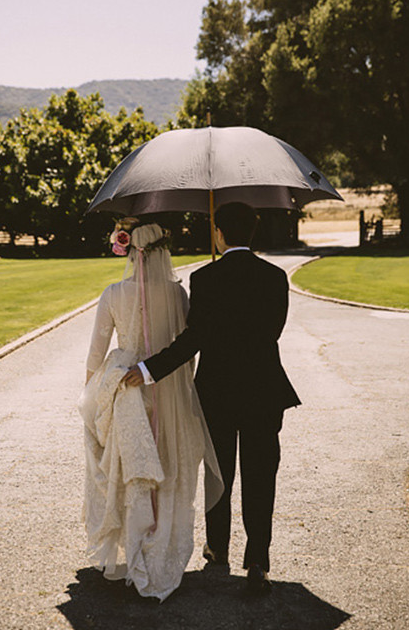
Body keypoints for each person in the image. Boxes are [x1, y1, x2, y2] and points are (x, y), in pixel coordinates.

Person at [123, 202, 300, 594]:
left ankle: (217, 548)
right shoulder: (275, 277)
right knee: (260, 476)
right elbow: (274, 331)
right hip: (264, 390)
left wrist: (149, 369)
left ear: (219, 234)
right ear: (251, 233)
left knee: (219, 473)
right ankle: (258, 561)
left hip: (218, 392)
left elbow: (193, 340)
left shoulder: (205, 278)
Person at [78, 220, 222, 602]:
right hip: (167, 383)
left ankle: (138, 540)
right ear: (162, 251)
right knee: (167, 461)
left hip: (126, 385)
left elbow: (96, 352)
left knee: (130, 469)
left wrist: (93, 394)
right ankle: (161, 539)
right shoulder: (177, 294)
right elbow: (189, 340)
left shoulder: (113, 294)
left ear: (128, 249)